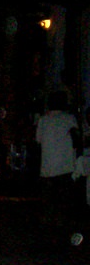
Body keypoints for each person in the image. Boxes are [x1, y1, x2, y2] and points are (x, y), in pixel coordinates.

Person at [35, 89, 81, 242]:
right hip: (65, 168)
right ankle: (61, 235)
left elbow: (38, 141)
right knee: (63, 204)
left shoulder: (43, 120)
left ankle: (47, 236)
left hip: (48, 168)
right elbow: (77, 140)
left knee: (48, 204)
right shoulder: (69, 119)